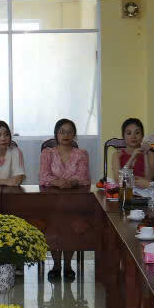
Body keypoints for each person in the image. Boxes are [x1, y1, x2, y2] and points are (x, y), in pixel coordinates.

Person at [39, 118, 92, 280]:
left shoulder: (81, 154)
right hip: (51, 201)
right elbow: (43, 176)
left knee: (72, 224)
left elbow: (84, 178)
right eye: (62, 131)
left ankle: (68, 265)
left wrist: (71, 183)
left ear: (74, 135)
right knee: (53, 226)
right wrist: (57, 182)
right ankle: (56, 265)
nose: (66, 135)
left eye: (69, 132)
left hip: (74, 201)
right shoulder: (47, 153)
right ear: (56, 134)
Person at [109, 118, 154, 189]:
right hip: (124, 192)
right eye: (129, 133)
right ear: (123, 136)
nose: (133, 137)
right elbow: (118, 180)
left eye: (137, 133)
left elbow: (148, 180)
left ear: (142, 135)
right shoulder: (117, 155)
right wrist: (132, 157)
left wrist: (145, 154)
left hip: (144, 192)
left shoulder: (150, 154)